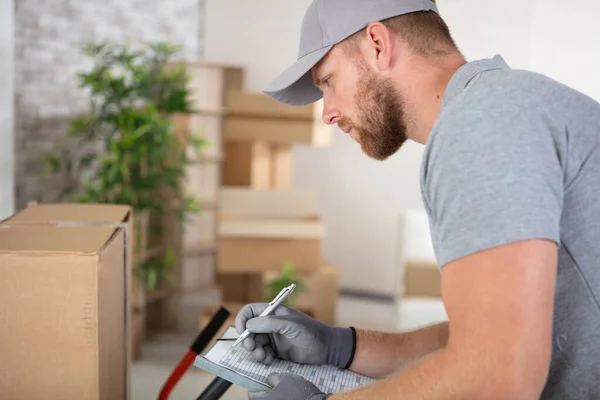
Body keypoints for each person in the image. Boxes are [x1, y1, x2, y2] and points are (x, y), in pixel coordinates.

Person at [234, 0, 600, 399]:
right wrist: (341, 347)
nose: (328, 113)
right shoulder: (500, 104)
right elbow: (486, 338)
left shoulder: (481, 125)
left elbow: (495, 378)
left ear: (377, 44)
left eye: (328, 82)